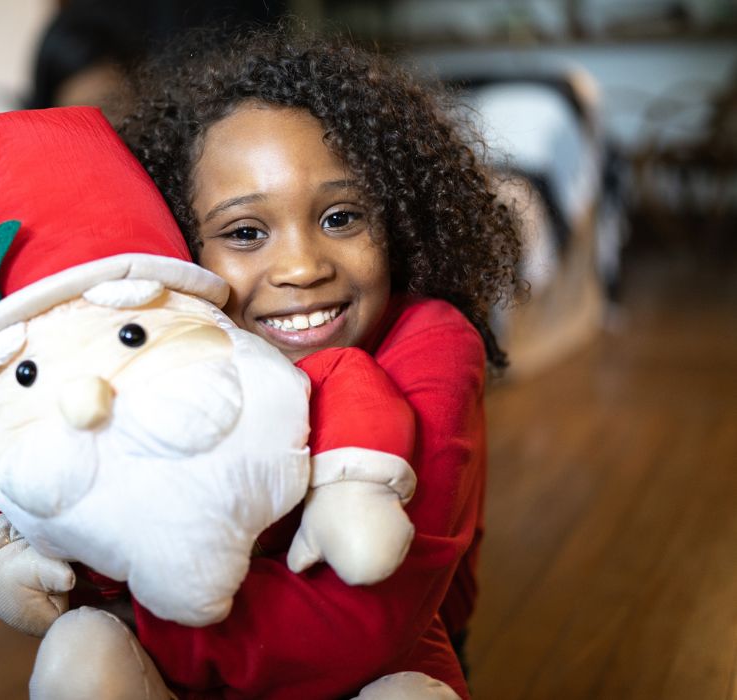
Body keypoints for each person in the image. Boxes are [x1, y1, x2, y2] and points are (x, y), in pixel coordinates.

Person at [116, 23, 522, 698]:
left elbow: (366, 626)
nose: (302, 267)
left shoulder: (435, 342)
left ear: (396, 219)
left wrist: (135, 621)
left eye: (341, 218)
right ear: (181, 249)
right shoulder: (178, 349)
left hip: (385, 663)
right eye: (246, 233)